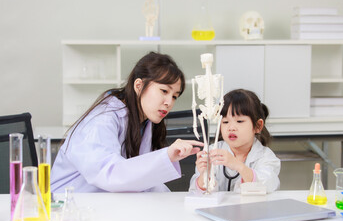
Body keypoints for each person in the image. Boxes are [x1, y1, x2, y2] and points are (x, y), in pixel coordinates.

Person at [51, 52, 203, 193]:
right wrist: (165, 156)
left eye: (175, 96)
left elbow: (140, 178)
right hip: (71, 205)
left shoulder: (144, 121)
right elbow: (110, 174)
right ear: (139, 86)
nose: (169, 102)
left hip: (106, 202)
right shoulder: (102, 120)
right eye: (164, 91)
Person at [189, 89, 280, 193]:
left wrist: (238, 166)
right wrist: (205, 175)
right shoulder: (212, 152)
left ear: (258, 126)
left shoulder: (266, 157)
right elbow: (197, 193)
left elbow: (268, 185)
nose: (231, 128)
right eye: (225, 122)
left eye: (239, 121)